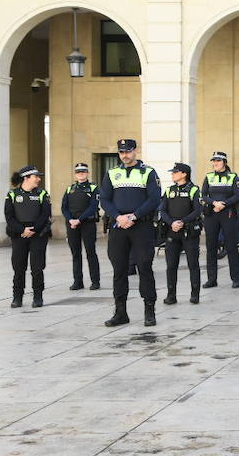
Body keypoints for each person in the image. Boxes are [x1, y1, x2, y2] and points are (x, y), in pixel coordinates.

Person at [99, 139, 162, 327]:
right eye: (121, 152)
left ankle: (149, 311)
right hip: (118, 226)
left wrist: (134, 216)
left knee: (144, 267)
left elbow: (154, 199)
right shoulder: (112, 173)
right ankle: (120, 313)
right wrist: (118, 217)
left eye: (127, 151)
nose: (124, 155)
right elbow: (104, 199)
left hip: (141, 225)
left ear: (135, 151)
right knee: (119, 270)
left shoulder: (148, 172)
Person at [5, 165, 51, 307]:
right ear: (26, 178)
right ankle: (17, 297)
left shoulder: (42, 194)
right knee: (19, 268)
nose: (38, 179)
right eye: (36, 177)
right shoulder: (12, 195)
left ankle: (38, 297)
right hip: (19, 235)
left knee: (37, 268)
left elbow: (45, 214)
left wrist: (34, 229)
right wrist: (22, 230)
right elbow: (9, 216)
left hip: (38, 235)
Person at [160, 162, 202, 309]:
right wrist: (171, 222)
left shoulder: (194, 189)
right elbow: (162, 210)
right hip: (172, 232)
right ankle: (171, 295)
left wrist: (182, 221)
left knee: (193, 264)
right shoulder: (169, 190)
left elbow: (197, 210)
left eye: (175, 172)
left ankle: (195, 294)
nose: (172, 175)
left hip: (188, 232)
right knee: (171, 265)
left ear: (184, 174)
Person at [200, 151, 239, 290]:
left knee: (231, 246)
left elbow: (238, 195)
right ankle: (212, 279)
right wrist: (214, 203)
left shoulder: (233, 177)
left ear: (224, 162)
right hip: (211, 214)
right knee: (211, 247)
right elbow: (203, 195)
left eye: (218, 161)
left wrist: (223, 204)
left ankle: (235, 278)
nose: (215, 163)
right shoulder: (209, 177)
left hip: (227, 213)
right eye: (214, 161)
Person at [61, 162, 101, 291]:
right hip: (72, 224)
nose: (81, 174)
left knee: (91, 252)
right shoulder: (70, 189)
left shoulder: (93, 188)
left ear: (87, 173)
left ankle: (95, 281)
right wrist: (71, 220)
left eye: (83, 172)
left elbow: (93, 206)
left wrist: (79, 219)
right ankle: (78, 282)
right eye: (78, 172)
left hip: (87, 223)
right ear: (75, 174)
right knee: (75, 253)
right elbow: (64, 207)